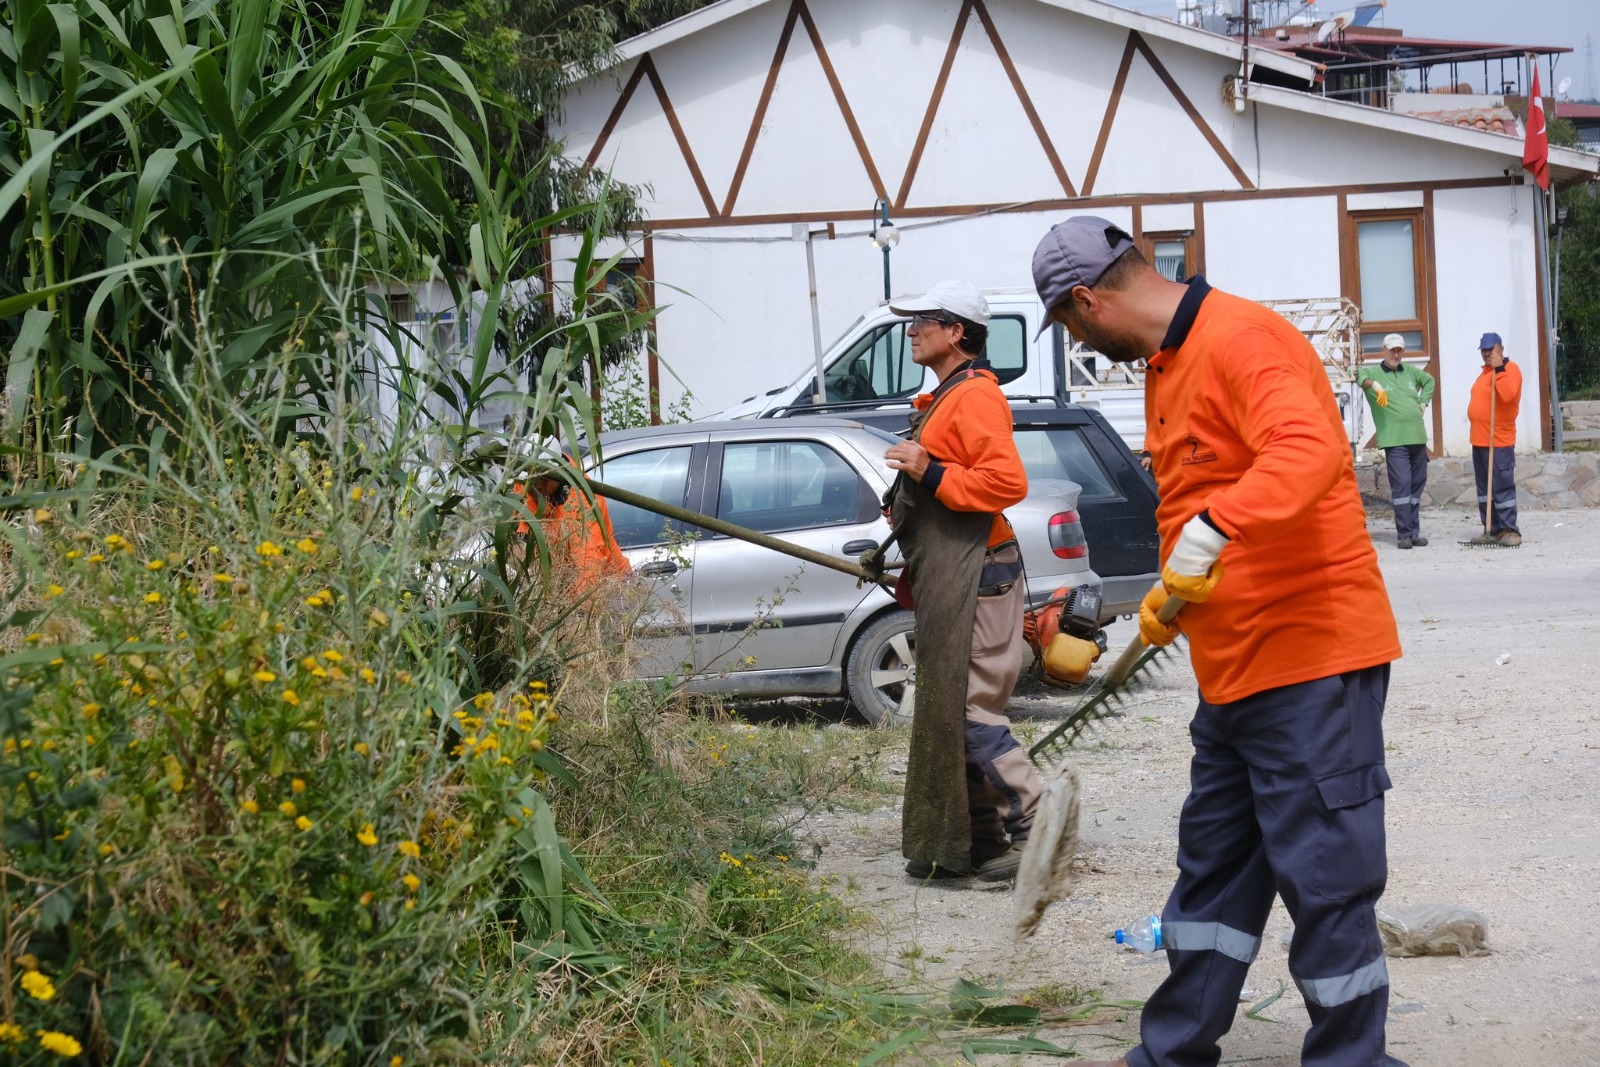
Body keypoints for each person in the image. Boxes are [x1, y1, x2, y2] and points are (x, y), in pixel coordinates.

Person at [1031, 217, 1406, 1067]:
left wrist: (1214, 528)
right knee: (1211, 876)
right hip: (1233, 674)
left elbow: (1306, 450)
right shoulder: (1167, 368)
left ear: (1088, 300)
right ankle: (1171, 1052)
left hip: (1312, 662)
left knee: (1325, 882)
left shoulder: (1243, 339)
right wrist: (1167, 599)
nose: (1076, 339)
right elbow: (1203, 491)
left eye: (1070, 325)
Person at [880, 280, 1040, 883]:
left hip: (982, 572)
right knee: (951, 708)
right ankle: (985, 841)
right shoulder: (946, 396)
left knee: (970, 712)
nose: (912, 329)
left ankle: (1038, 830)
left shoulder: (973, 397)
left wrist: (929, 469)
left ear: (957, 333)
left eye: (925, 320)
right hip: (959, 572)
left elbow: (1006, 484)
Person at [1356, 333, 1436, 548]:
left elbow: (1429, 380)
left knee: (1416, 486)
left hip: (1417, 438)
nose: (1395, 354)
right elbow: (1355, 373)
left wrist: (1423, 402)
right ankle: (1403, 534)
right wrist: (1374, 385)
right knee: (1402, 486)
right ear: (1383, 351)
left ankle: (1413, 531)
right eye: (1392, 350)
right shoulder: (1373, 372)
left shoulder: (1409, 371)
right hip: (1394, 441)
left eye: (1399, 350)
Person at [515, 464, 631, 594]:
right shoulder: (523, 482)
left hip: (607, 587)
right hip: (562, 586)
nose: (537, 487)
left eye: (543, 480)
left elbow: (589, 563)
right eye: (531, 484)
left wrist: (582, 609)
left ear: (557, 472)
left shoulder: (583, 501)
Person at [1467, 332, 1523, 546]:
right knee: (1484, 490)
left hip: (1498, 440)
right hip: (1479, 441)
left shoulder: (1511, 369)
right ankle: (1491, 528)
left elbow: (1508, 395)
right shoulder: (1483, 373)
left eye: (1490, 349)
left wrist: (1499, 369)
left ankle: (1511, 531)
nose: (1487, 353)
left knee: (1502, 487)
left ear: (1500, 348)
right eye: (1483, 349)